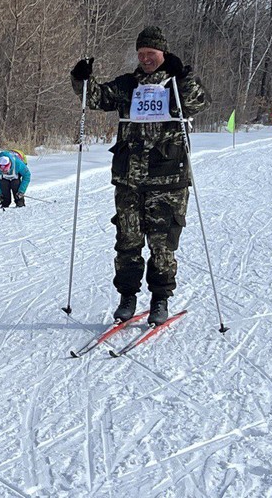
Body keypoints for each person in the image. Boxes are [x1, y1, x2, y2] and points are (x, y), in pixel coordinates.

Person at [70, 26, 210, 326]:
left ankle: (160, 299)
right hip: (129, 179)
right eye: (141, 53)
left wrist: (183, 75)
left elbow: (199, 101)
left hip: (168, 181)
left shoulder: (176, 83)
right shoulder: (129, 85)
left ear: (163, 53)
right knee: (127, 241)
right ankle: (127, 297)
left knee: (162, 245)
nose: (146, 58)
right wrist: (81, 78)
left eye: (151, 53)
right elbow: (96, 98)